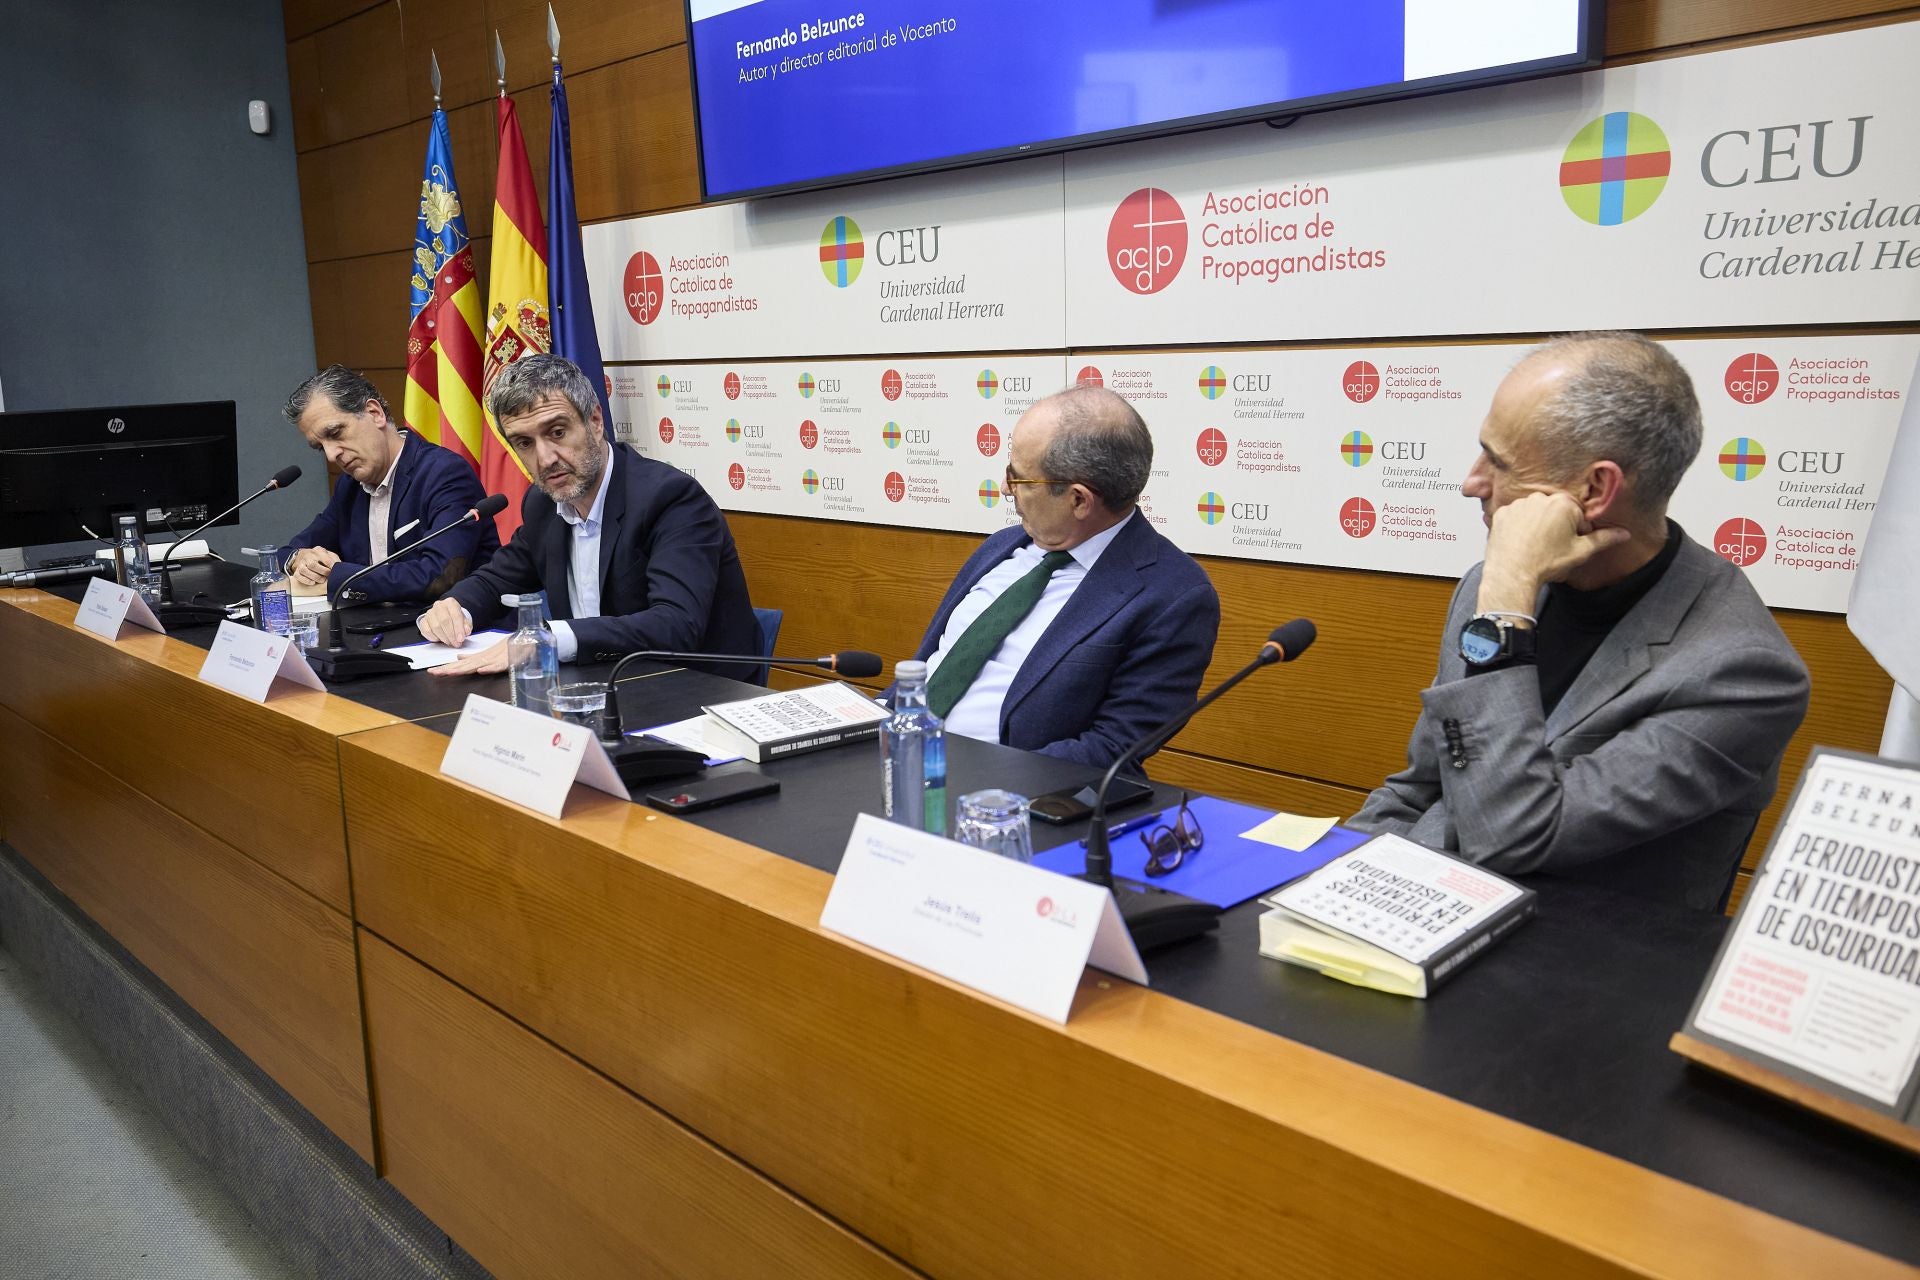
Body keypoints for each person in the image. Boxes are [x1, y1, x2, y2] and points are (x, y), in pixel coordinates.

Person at [1351, 331, 1810, 911]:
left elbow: (1512, 836)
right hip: (1412, 909)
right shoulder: (1492, 586)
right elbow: (1420, 787)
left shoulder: (1745, 675)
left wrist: (1506, 607)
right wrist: (1323, 878)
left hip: (1570, 950)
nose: (1472, 482)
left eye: (1500, 462)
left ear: (1594, 489)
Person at [908, 384, 1220, 769]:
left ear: (1078, 500)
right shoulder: (1001, 546)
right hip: (893, 755)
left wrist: (983, 781)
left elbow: (1111, 748)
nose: (1005, 488)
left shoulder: (1172, 597)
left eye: (1019, 479)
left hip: (1001, 792)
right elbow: (924, 671)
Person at [417, 353, 759, 679]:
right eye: (524, 443)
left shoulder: (670, 499)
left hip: (697, 692)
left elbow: (676, 626)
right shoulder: (542, 504)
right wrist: (455, 607)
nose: (545, 458)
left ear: (595, 422)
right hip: (599, 685)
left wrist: (546, 638)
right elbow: (497, 579)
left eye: (557, 432)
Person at [281, 366, 499, 602]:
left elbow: (440, 575)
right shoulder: (349, 486)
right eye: (320, 447)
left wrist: (339, 579)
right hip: (376, 621)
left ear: (375, 413)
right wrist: (299, 559)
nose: (331, 455)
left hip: (454, 621)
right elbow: (288, 551)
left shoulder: (444, 473)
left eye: (335, 433)